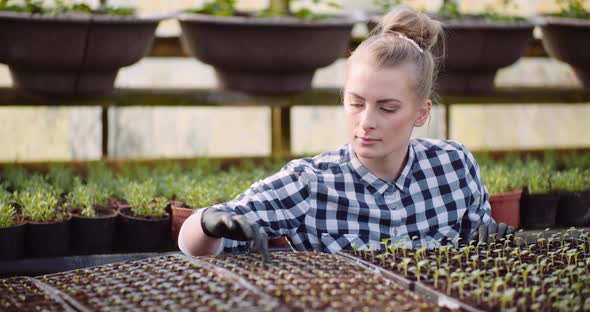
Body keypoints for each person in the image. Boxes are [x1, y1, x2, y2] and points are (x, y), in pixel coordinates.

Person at [178, 6, 514, 259]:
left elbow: (477, 247)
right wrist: (208, 222)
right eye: (356, 103)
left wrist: (489, 237)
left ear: (421, 113)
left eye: (387, 107)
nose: (366, 121)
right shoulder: (311, 184)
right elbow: (193, 244)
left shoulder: (453, 167)